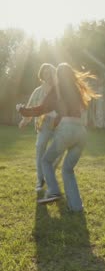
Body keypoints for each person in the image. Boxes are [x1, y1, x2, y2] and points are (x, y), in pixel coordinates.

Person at [16, 63, 98, 211]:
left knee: (46, 161)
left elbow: (40, 109)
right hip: (81, 133)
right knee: (68, 170)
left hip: (67, 131)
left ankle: (53, 190)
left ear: (58, 75)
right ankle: (76, 207)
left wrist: (21, 110)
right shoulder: (77, 90)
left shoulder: (57, 90)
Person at [19, 63, 58, 192]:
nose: (47, 74)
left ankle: (49, 173)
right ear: (42, 74)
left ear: (54, 73)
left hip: (58, 124)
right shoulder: (38, 91)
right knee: (40, 148)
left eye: (50, 71)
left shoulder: (58, 89)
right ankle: (40, 181)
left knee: (59, 151)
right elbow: (31, 106)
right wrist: (25, 120)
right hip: (43, 124)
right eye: (45, 72)